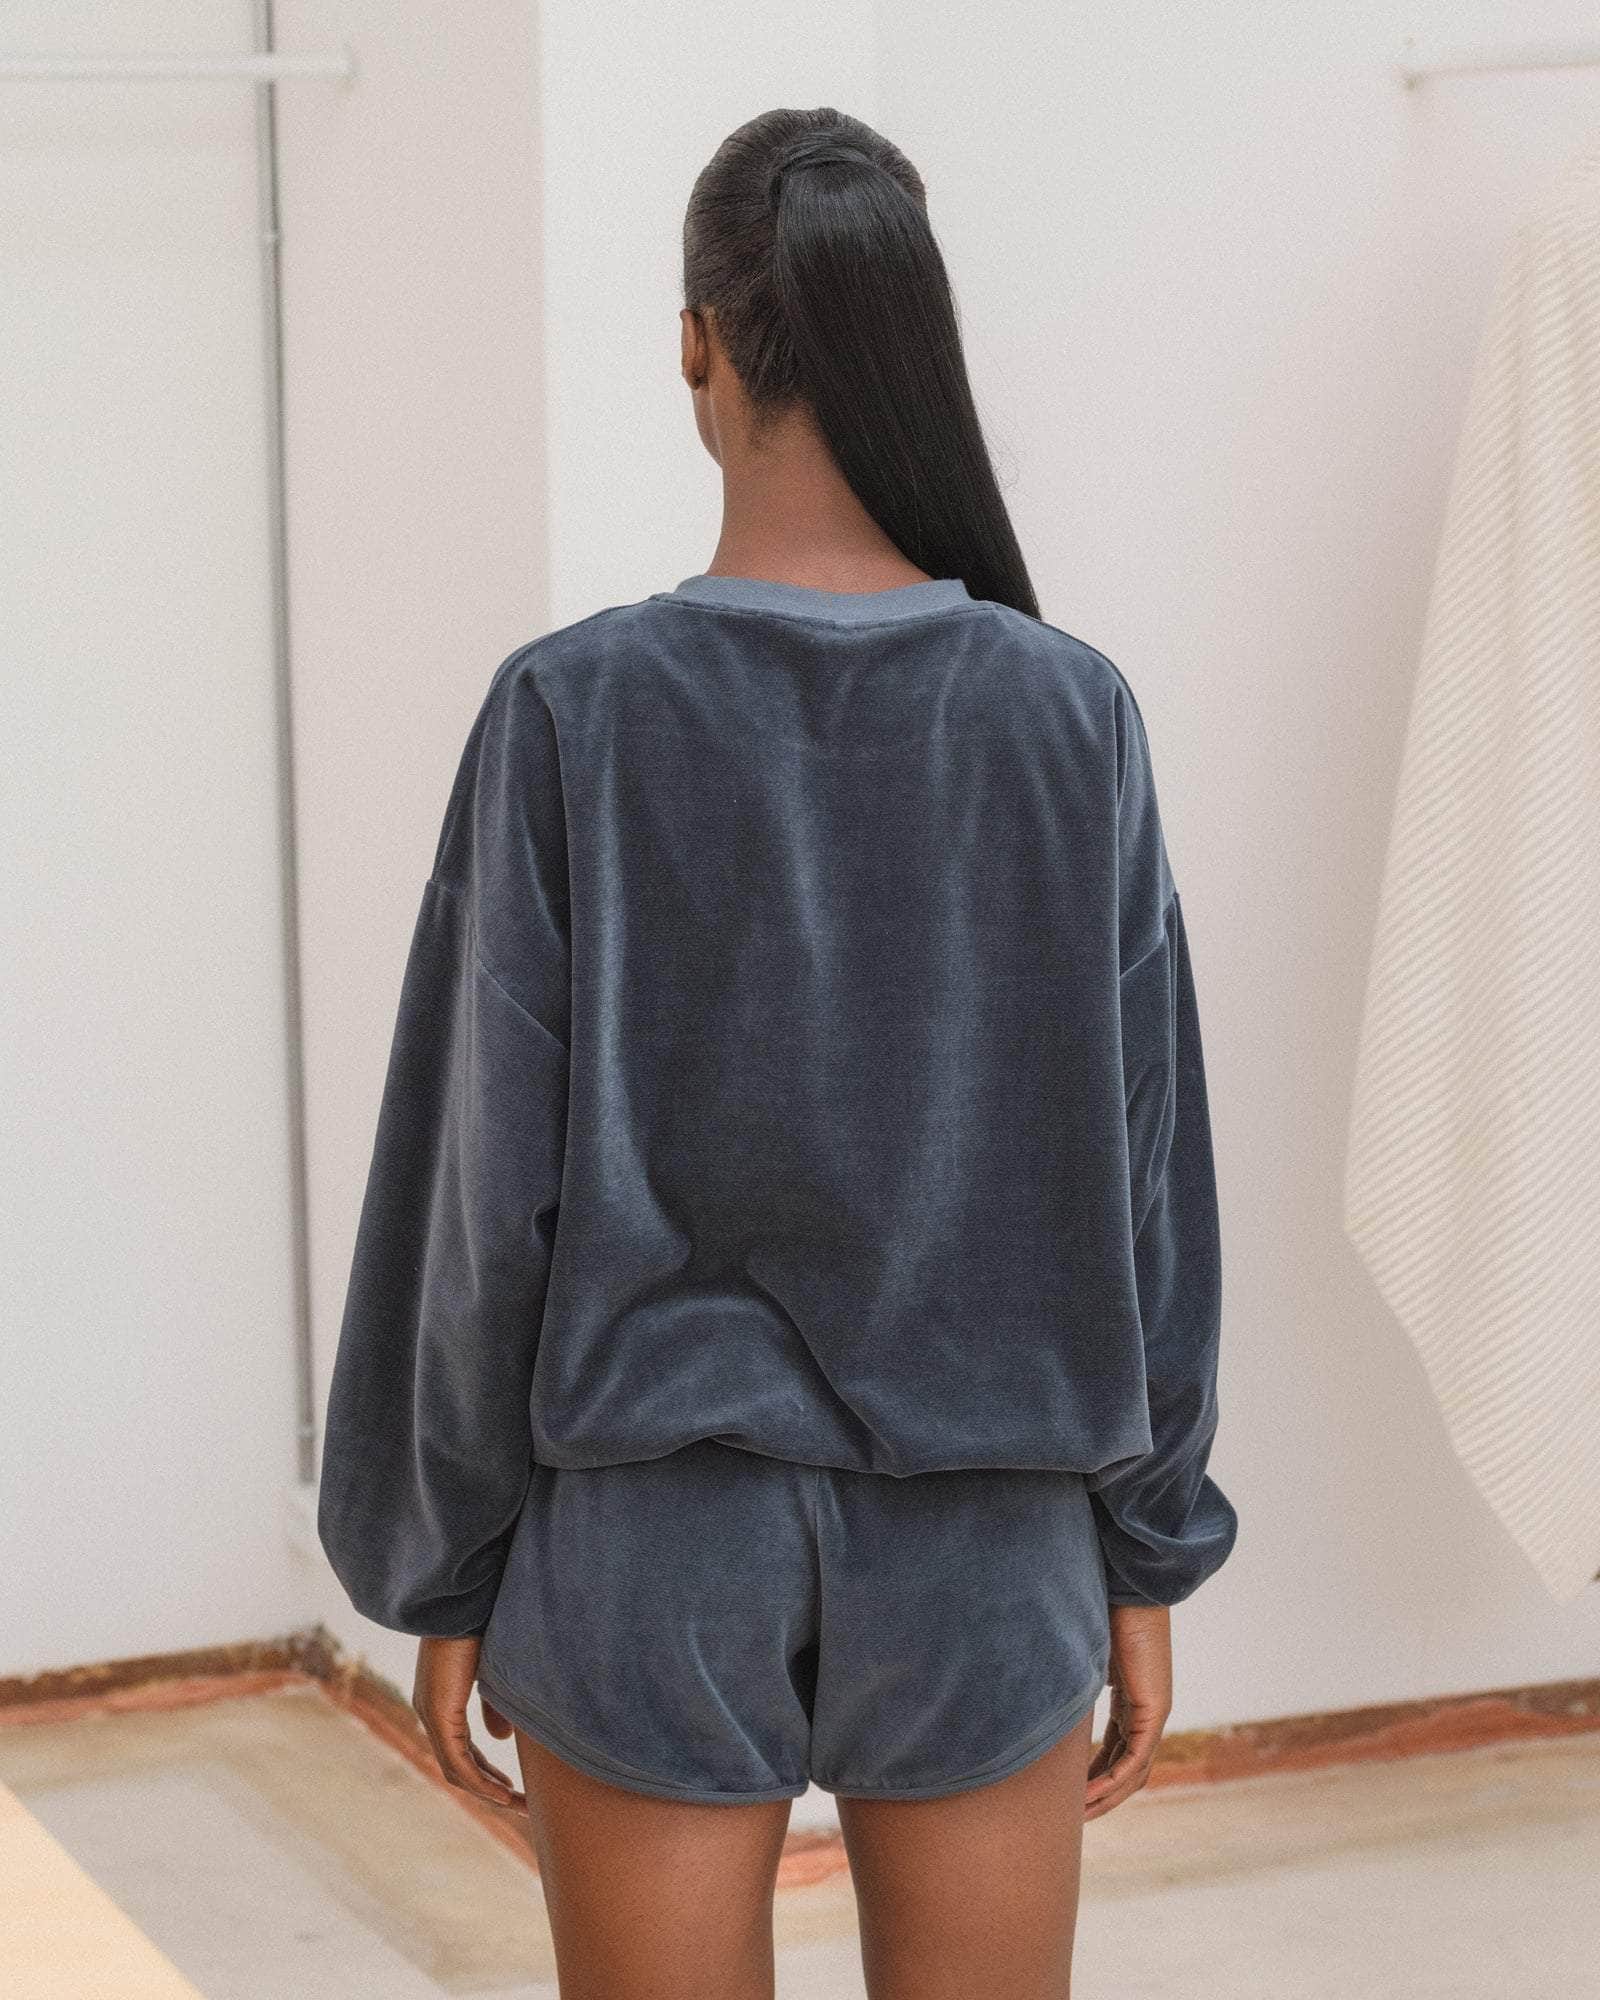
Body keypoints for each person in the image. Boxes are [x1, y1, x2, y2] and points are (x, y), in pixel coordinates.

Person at [318, 105, 1237, 2000]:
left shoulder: (569, 714)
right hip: (991, 1537)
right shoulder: (1071, 719)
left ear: (696, 344)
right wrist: (1145, 1551)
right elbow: (1150, 1176)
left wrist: (447, 1561)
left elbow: (481, 1200)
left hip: (648, 1542)